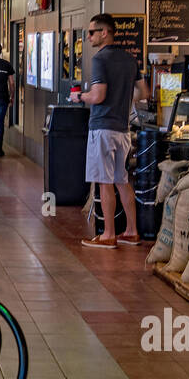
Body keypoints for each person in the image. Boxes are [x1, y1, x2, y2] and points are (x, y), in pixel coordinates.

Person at [69, 13, 140, 247]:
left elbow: (98, 96)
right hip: (123, 129)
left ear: (104, 32)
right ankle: (131, 231)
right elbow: (144, 92)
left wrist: (79, 96)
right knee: (122, 180)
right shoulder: (130, 60)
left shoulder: (100, 59)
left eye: (91, 32)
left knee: (104, 182)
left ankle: (108, 235)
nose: (88, 37)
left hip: (103, 128)